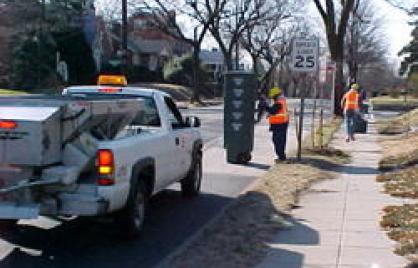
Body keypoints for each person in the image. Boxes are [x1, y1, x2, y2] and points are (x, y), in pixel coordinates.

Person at [266, 86, 289, 162]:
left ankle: (281, 157)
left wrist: (265, 106)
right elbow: (275, 112)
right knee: (279, 141)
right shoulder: (281, 101)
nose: (272, 98)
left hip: (279, 125)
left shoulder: (279, 103)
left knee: (278, 141)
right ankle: (281, 156)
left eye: (272, 97)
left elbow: (273, 111)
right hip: (281, 124)